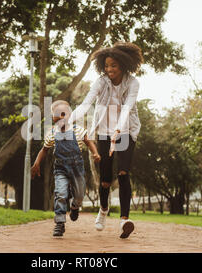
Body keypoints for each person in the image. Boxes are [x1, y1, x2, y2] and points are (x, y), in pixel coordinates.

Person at [68, 42, 143, 239]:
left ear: (124, 66)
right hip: (103, 132)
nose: (109, 69)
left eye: (114, 66)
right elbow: (86, 103)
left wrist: (118, 130)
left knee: (124, 173)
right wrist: (69, 119)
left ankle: (124, 220)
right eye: (107, 65)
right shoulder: (101, 82)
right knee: (106, 179)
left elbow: (127, 107)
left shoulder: (133, 83)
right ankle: (103, 210)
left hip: (126, 131)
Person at [31, 100, 101, 237]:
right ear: (53, 118)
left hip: (77, 168)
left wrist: (95, 153)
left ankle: (75, 206)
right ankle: (59, 223)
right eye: (56, 115)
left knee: (80, 194)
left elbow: (88, 141)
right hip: (60, 168)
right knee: (60, 194)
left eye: (63, 114)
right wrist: (36, 163)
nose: (60, 117)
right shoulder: (52, 133)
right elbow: (44, 150)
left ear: (70, 115)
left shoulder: (78, 130)